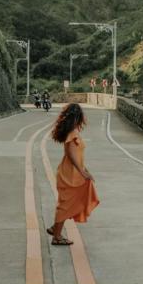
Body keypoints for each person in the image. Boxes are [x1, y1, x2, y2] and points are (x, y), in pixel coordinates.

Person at [46, 103, 99, 246]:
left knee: (69, 202)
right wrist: (82, 172)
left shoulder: (72, 131)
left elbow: (77, 155)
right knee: (65, 205)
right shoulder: (73, 133)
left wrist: (85, 170)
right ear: (78, 116)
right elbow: (71, 155)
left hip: (71, 173)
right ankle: (57, 237)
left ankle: (55, 228)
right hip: (70, 175)